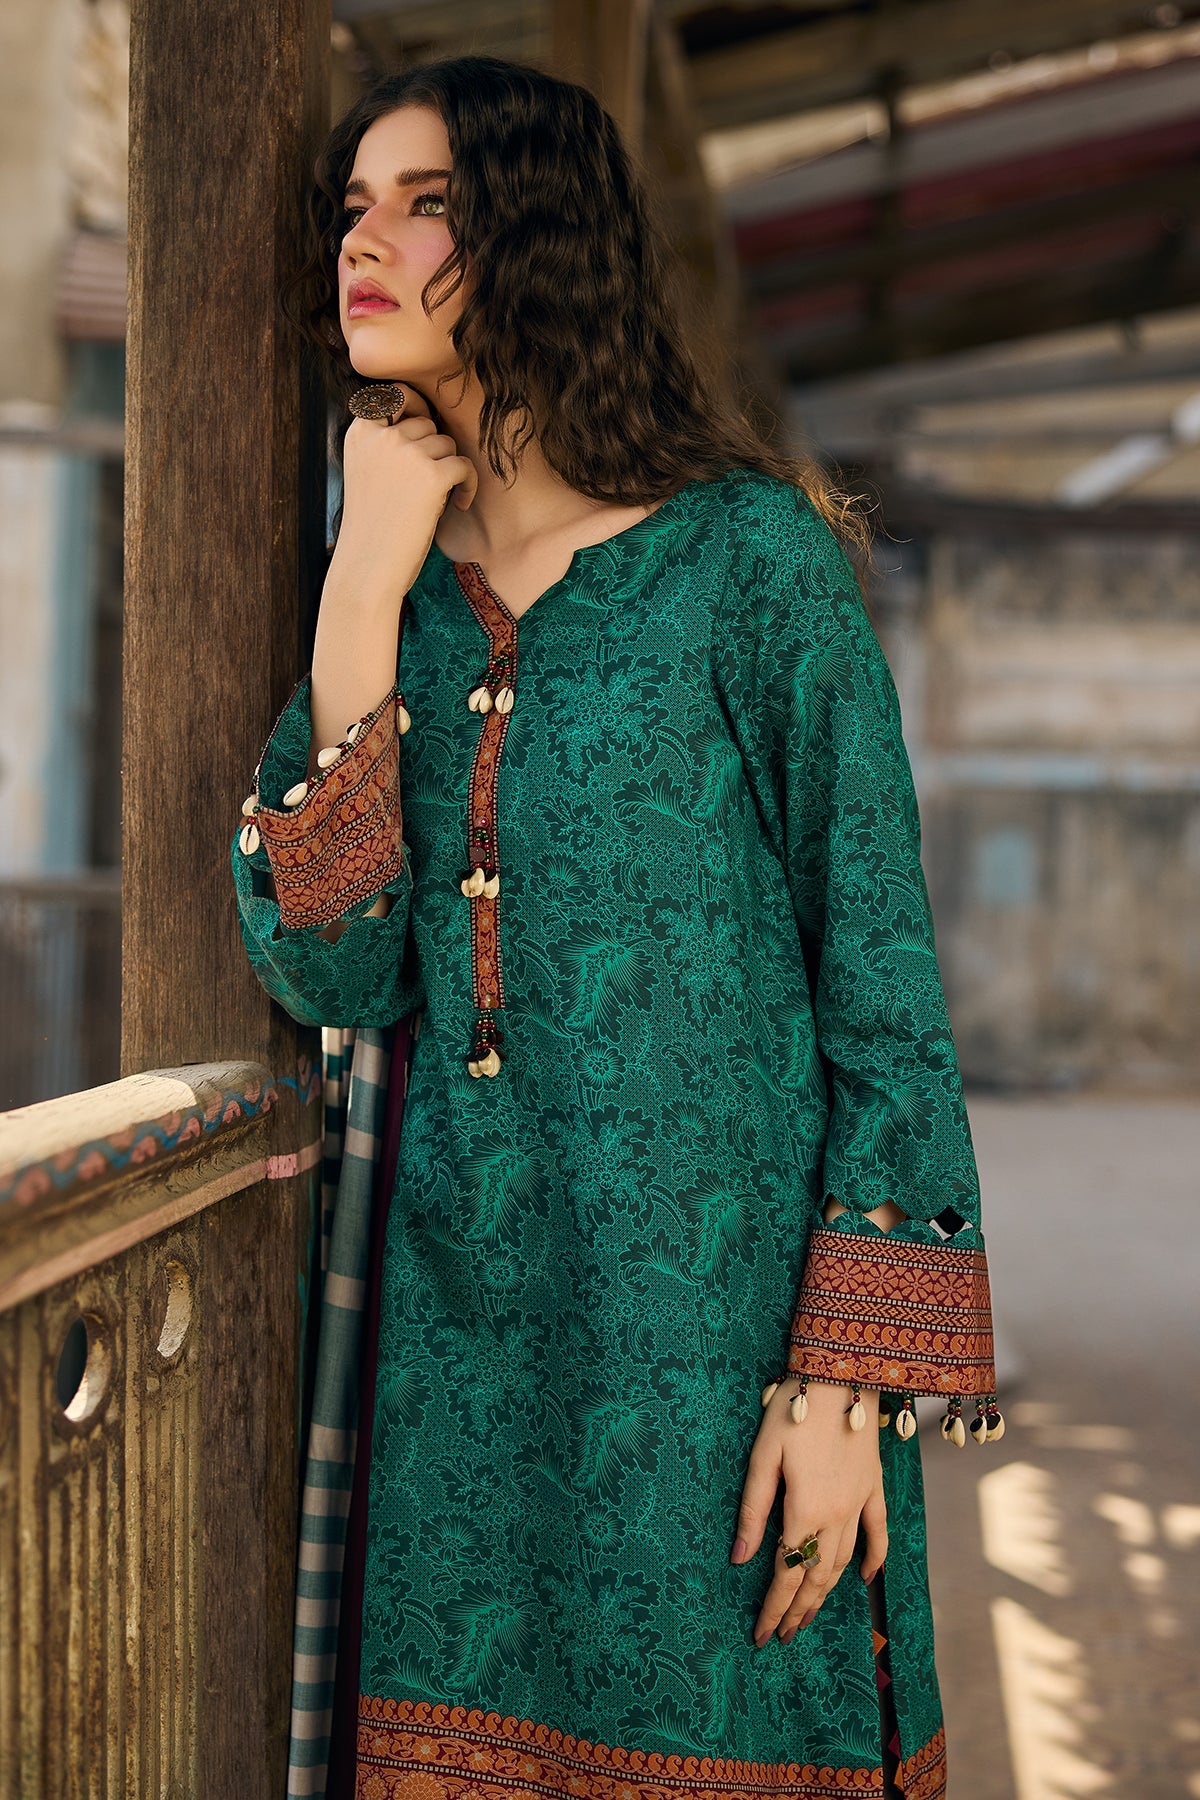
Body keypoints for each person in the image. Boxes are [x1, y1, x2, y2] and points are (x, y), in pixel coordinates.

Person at [230, 53, 1001, 1800]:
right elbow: (331, 964)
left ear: (543, 234)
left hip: (722, 1361)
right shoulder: (404, 601)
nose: (367, 241)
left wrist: (842, 1393)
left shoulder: (749, 566)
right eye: (353, 208)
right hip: (463, 1378)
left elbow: (881, 985)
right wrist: (361, 585)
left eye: (428, 205)